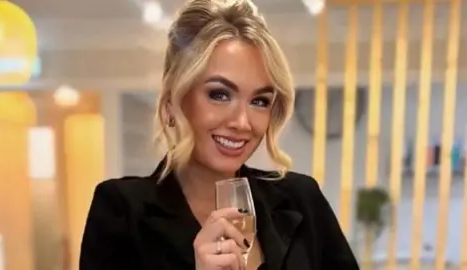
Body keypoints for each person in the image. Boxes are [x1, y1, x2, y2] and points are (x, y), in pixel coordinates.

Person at [79, 0, 359, 269]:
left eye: (259, 101)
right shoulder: (121, 210)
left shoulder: (302, 198)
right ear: (172, 103)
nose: (242, 122)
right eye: (219, 94)